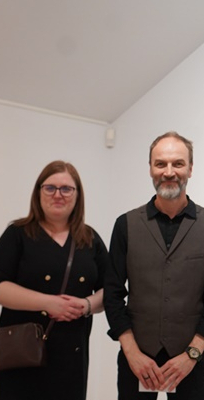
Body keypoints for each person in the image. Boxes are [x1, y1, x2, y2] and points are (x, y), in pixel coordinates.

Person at [0, 160, 109, 400]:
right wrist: (48, 303)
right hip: (21, 356)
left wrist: (86, 305)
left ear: (77, 195)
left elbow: (110, 289)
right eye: (50, 187)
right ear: (38, 192)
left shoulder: (90, 239)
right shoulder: (17, 234)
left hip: (71, 359)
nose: (58, 195)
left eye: (66, 189)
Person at [104, 131, 204, 399]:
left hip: (194, 362)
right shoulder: (125, 225)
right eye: (160, 164)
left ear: (190, 169)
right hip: (137, 360)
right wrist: (132, 353)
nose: (169, 172)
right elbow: (112, 293)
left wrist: (192, 354)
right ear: (150, 168)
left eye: (178, 163)